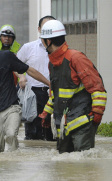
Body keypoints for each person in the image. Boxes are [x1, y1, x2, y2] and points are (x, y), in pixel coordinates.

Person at [39, 20, 107, 153]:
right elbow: (55, 94)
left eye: (43, 40)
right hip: (64, 124)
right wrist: (46, 113)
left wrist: (97, 114)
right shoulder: (52, 63)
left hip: (82, 122)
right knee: (65, 166)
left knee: (83, 164)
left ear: (48, 41)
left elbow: (97, 88)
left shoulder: (76, 58)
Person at [17, 15, 56, 141]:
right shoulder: (28, 47)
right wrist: (21, 76)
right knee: (33, 134)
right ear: (39, 29)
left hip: (54, 93)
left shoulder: (61, 50)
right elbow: (15, 66)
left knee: (52, 134)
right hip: (33, 94)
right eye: (45, 27)